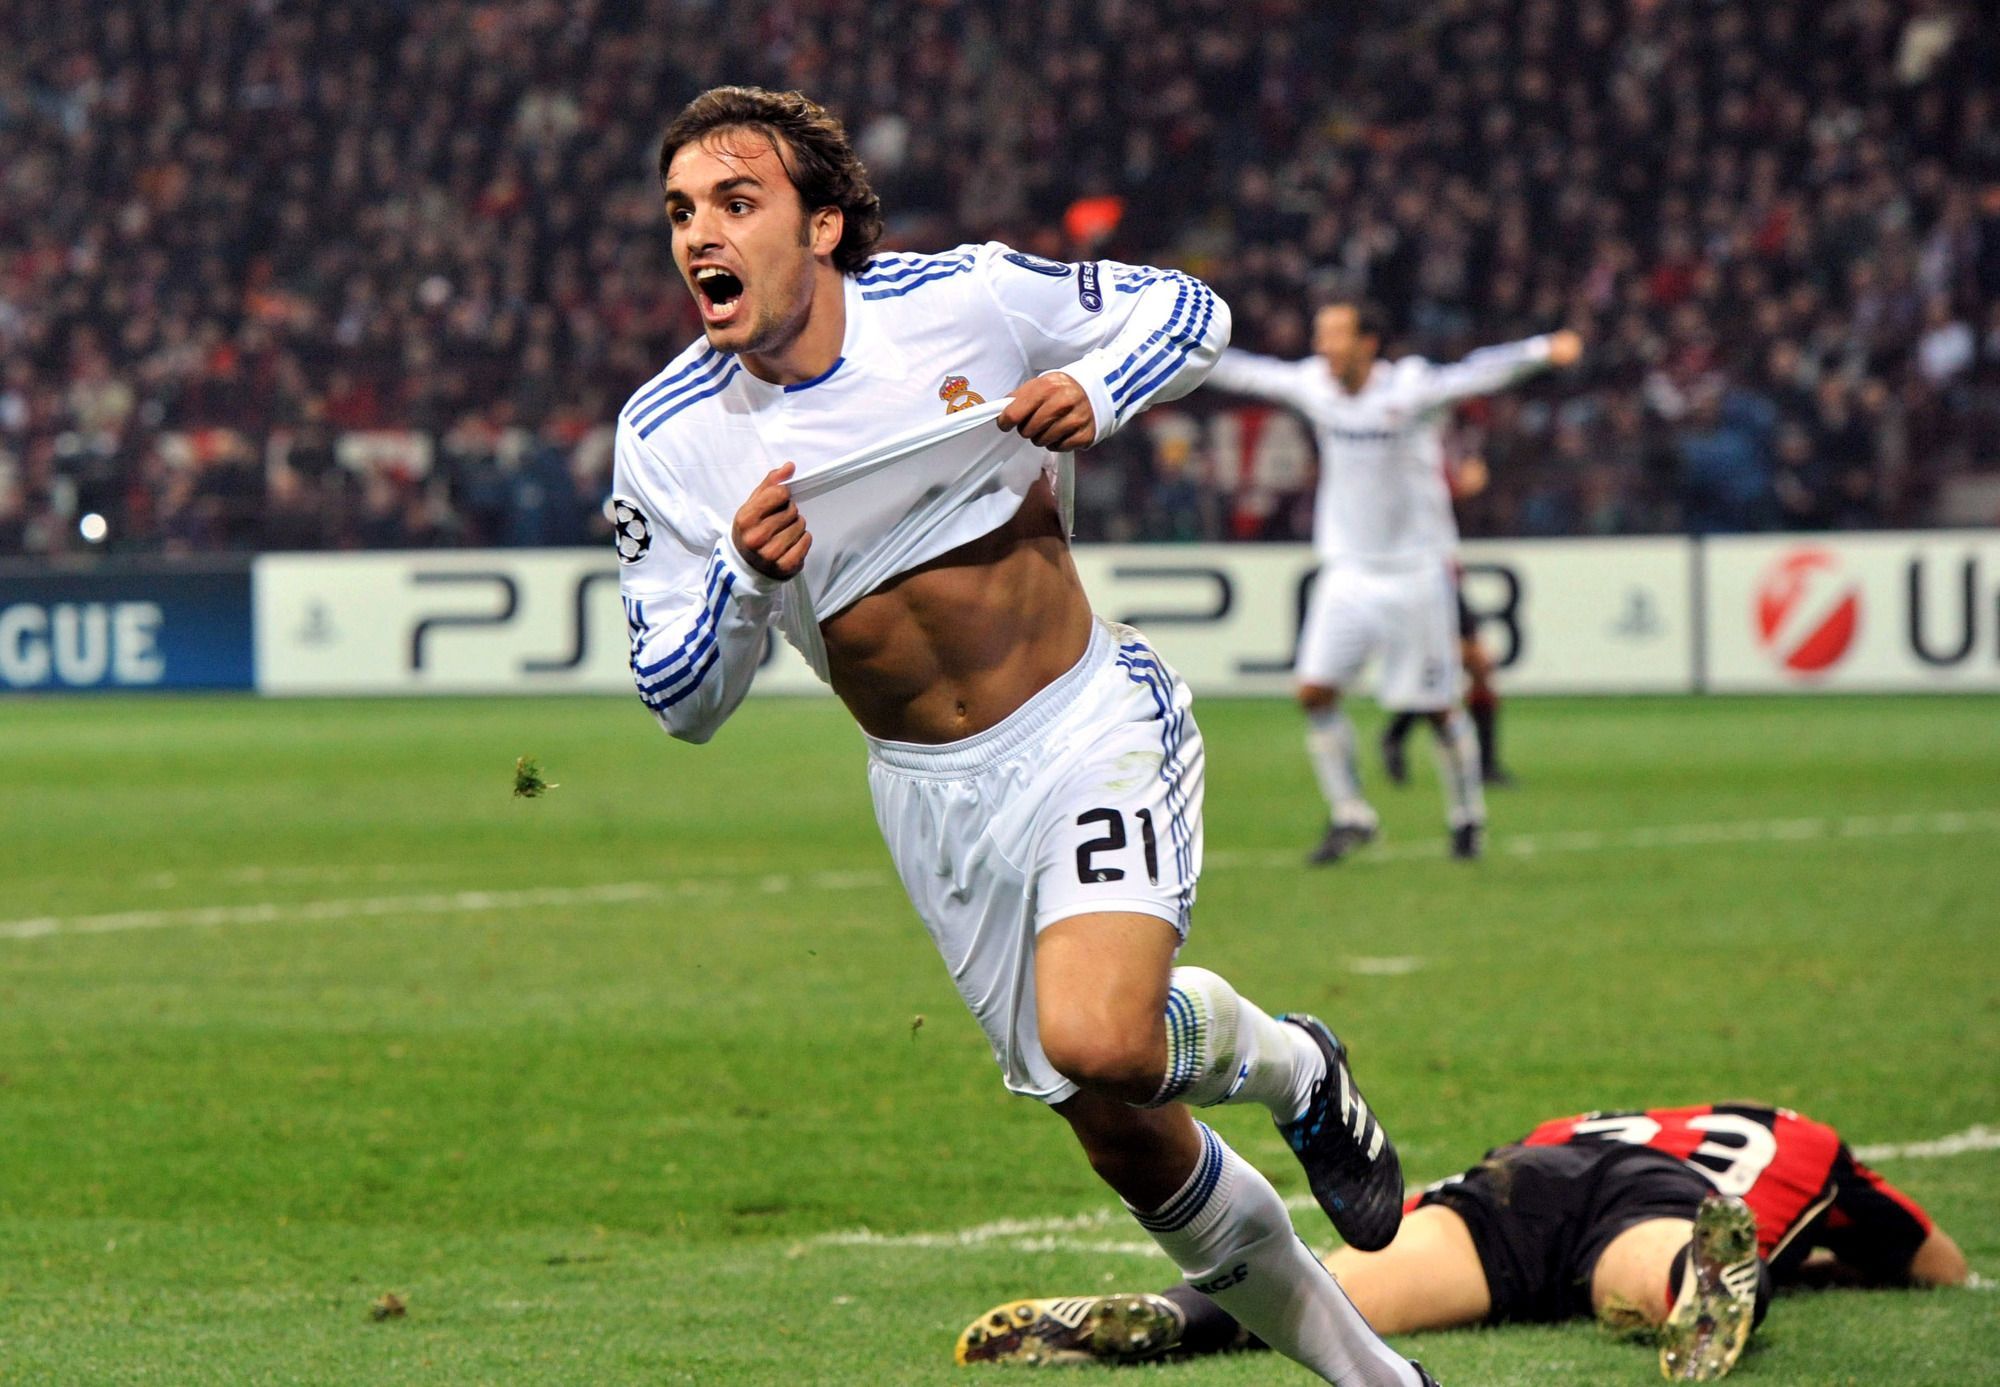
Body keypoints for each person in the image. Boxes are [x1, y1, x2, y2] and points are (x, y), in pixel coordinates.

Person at [614, 86, 1431, 1387]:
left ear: (820, 226)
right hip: (931, 801)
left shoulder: (963, 299)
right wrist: (744, 581)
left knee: (1104, 1034)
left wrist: (1097, 386)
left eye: (735, 200)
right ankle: (1386, 1380)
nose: (698, 232)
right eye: (678, 212)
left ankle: (1293, 1063)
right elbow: (680, 698)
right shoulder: (666, 438)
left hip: (1085, 723)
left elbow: (1191, 312)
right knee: (1125, 1137)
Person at [956, 1101, 1968, 1381]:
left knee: (1332, 1294)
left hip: (1518, 1174)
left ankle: (1177, 1314)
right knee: (1637, 1267)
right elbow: (1935, 1265)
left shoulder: (1595, 1118)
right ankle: (1691, 1282)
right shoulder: (1803, 1141)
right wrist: (1822, 1265)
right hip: (1663, 1196)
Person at [1201, 306, 1581, 864]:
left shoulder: (1410, 389)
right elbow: (1244, 371)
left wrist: (1543, 349)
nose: (1323, 346)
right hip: (1347, 571)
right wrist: (1165, 348)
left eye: (1335, 335)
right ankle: (1351, 814)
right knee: (1313, 693)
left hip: (1415, 574)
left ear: (1368, 343)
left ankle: (1467, 816)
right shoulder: (1313, 385)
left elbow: (1479, 372)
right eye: (1320, 335)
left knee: (1437, 708)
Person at [1381, 455, 1510, 789]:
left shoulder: (1428, 451)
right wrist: (1459, 486)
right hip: (1418, 578)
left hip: (1443, 576)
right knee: (1448, 668)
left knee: (1477, 666)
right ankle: (1396, 735)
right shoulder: (1396, 462)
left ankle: (1484, 764)